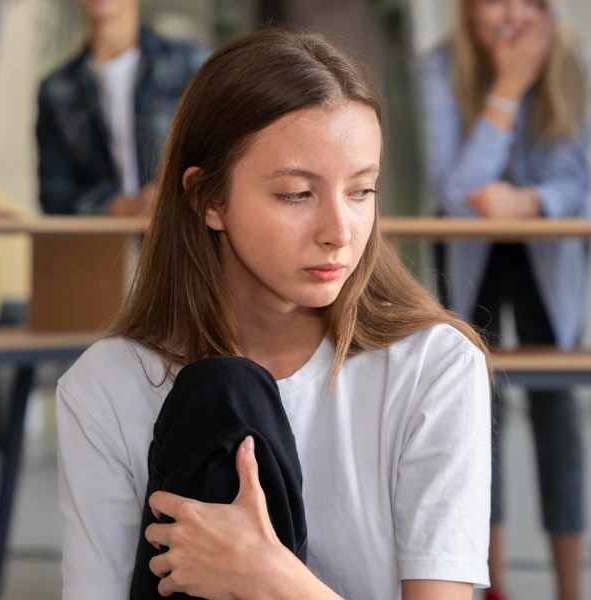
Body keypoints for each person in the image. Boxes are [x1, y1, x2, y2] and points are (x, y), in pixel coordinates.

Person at [56, 28, 494, 600]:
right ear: (208, 199)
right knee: (217, 390)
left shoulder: (432, 368)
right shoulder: (107, 385)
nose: (339, 232)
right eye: (296, 194)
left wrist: (271, 580)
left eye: (361, 191)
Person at [418, 1, 591, 599]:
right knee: (475, 412)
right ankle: (490, 587)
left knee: (558, 415)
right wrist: (508, 88)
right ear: (468, 10)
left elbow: (573, 179)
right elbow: (454, 189)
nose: (511, 14)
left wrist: (529, 203)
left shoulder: (576, 63)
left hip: (547, 253)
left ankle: (570, 589)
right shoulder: (438, 69)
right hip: (470, 252)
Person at [36, 0, 206, 217]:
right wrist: (118, 206)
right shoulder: (57, 90)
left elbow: (218, 156)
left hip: (181, 238)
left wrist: (172, 195)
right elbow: (54, 194)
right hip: (102, 245)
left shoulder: (188, 64)